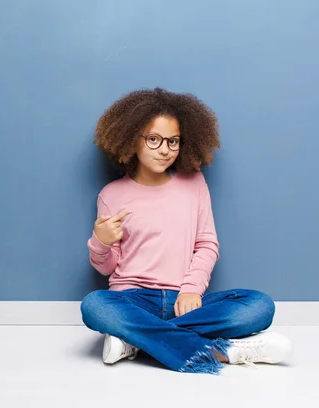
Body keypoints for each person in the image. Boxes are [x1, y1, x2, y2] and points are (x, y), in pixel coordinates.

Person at [80, 88, 292, 374]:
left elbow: (206, 244)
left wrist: (191, 289)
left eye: (173, 141)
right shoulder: (111, 195)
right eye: (154, 139)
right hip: (133, 300)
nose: (165, 149)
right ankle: (226, 351)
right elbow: (107, 267)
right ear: (132, 139)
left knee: (258, 306)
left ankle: (135, 341)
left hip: (187, 301)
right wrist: (101, 243)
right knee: (95, 306)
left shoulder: (193, 183)